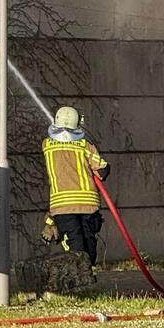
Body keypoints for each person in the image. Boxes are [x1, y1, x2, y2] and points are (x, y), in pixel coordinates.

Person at [40, 105, 110, 268]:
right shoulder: (85, 146)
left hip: (62, 207)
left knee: (74, 242)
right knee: (88, 242)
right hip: (87, 206)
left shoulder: (47, 146)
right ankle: (87, 272)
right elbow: (102, 170)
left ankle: (78, 274)